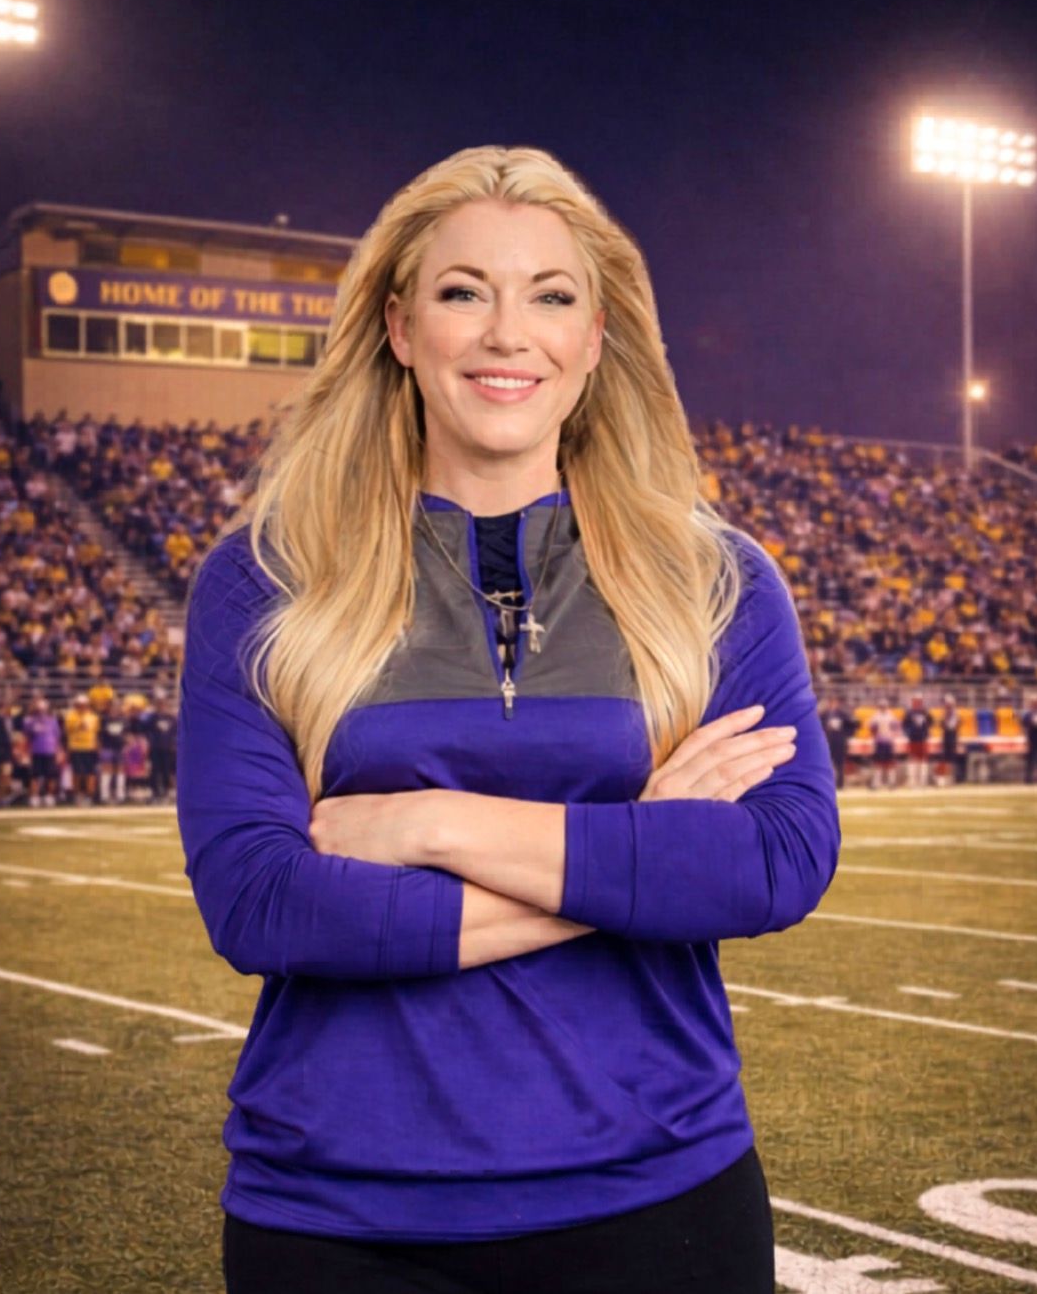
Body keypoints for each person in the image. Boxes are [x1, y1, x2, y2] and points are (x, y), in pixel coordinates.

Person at [177, 146, 840, 1294]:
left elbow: (776, 862)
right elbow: (265, 901)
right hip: (336, 1211)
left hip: (661, 1193)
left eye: (551, 295)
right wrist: (637, 853)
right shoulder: (265, 578)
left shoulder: (717, 578)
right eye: (461, 290)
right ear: (398, 324)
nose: (505, 333)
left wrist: (429, 819)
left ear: (595, 336)